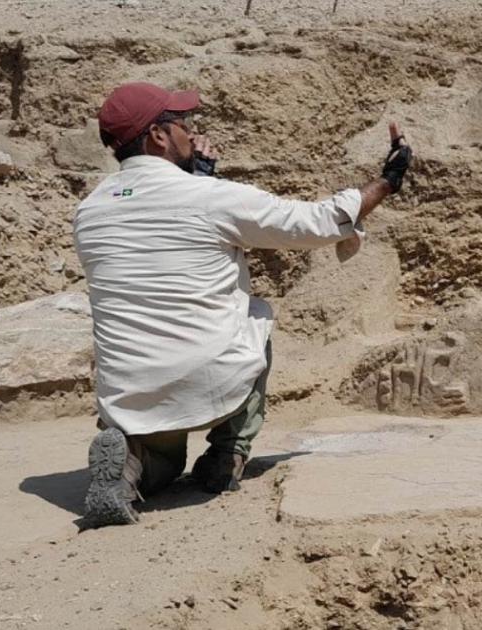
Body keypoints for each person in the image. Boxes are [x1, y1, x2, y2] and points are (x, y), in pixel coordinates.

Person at [74, 82, 412, 527]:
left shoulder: (90, 211)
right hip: (207, 374)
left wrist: (200, 179)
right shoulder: (213, 198)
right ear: (158, 136)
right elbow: (317, 222)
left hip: (129, 391)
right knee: (256, 316)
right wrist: (388, 181)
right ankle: (226, 453)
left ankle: (127, 467)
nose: (191, 135)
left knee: (162, 463)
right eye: (182, 125)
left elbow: (163, 238)